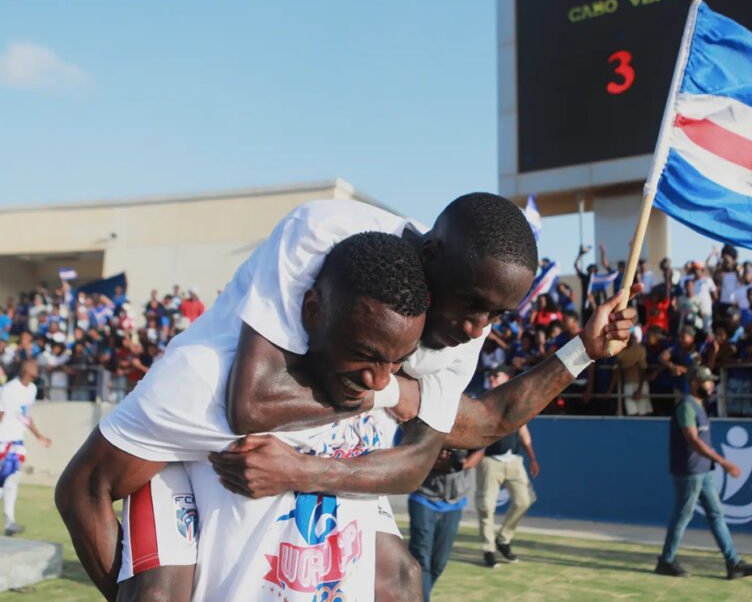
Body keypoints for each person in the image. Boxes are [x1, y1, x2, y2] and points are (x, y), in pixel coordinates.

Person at [58, 196, 638, 602]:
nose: (476, 329)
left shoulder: (457, 329)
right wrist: (393, 393)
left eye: (495, 315)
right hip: (200, 448)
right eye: (470, 304)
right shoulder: (315, 244)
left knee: (401, 579)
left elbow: (468, 429)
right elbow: (248, 404)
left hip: (318, 462)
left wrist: (582, 351)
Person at [656, 366, 752, 580]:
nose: (711, 385)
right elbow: (693, 441)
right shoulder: (686, 406)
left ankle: (733, 563)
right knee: (683, 516)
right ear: (694, 382)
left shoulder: (698, 405)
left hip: (704, 471)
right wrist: (723, 462)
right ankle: (666, 561)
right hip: (690, 473)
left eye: (712, 381)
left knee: (716, 514)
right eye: (707, 381)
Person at [476, 366, 539, 568]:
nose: (492, 379)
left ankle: (503, 539)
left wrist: (533, 458)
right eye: (490, 376)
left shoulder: (515, 401)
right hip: (489, 461)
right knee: (486, 507)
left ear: (507, 377)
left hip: (514, 460)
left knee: (524, 500)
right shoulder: (483, 400)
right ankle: (488, 550)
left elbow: (523, 431)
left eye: (496, 375)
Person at [408, 445, 483, 601]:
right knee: (421, 558)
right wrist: (432, 461)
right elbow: (409, 451)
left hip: (454, 502)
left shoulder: (466, 431)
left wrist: (460, 465)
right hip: (423, 496)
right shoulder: (423, 428)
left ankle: (414, 594)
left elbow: (479, 451)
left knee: (439, 563)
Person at [0, 360, 52, 536]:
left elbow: (25, 416)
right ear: (25, 369)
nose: (37, 368)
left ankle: (10, 522)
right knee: (5, 480)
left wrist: (39, 436)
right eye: (33, 366)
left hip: (17, 441)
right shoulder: (8, 389)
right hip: (4, 441)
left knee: (11, 481)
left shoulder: (32, 390)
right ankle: (9, 522)